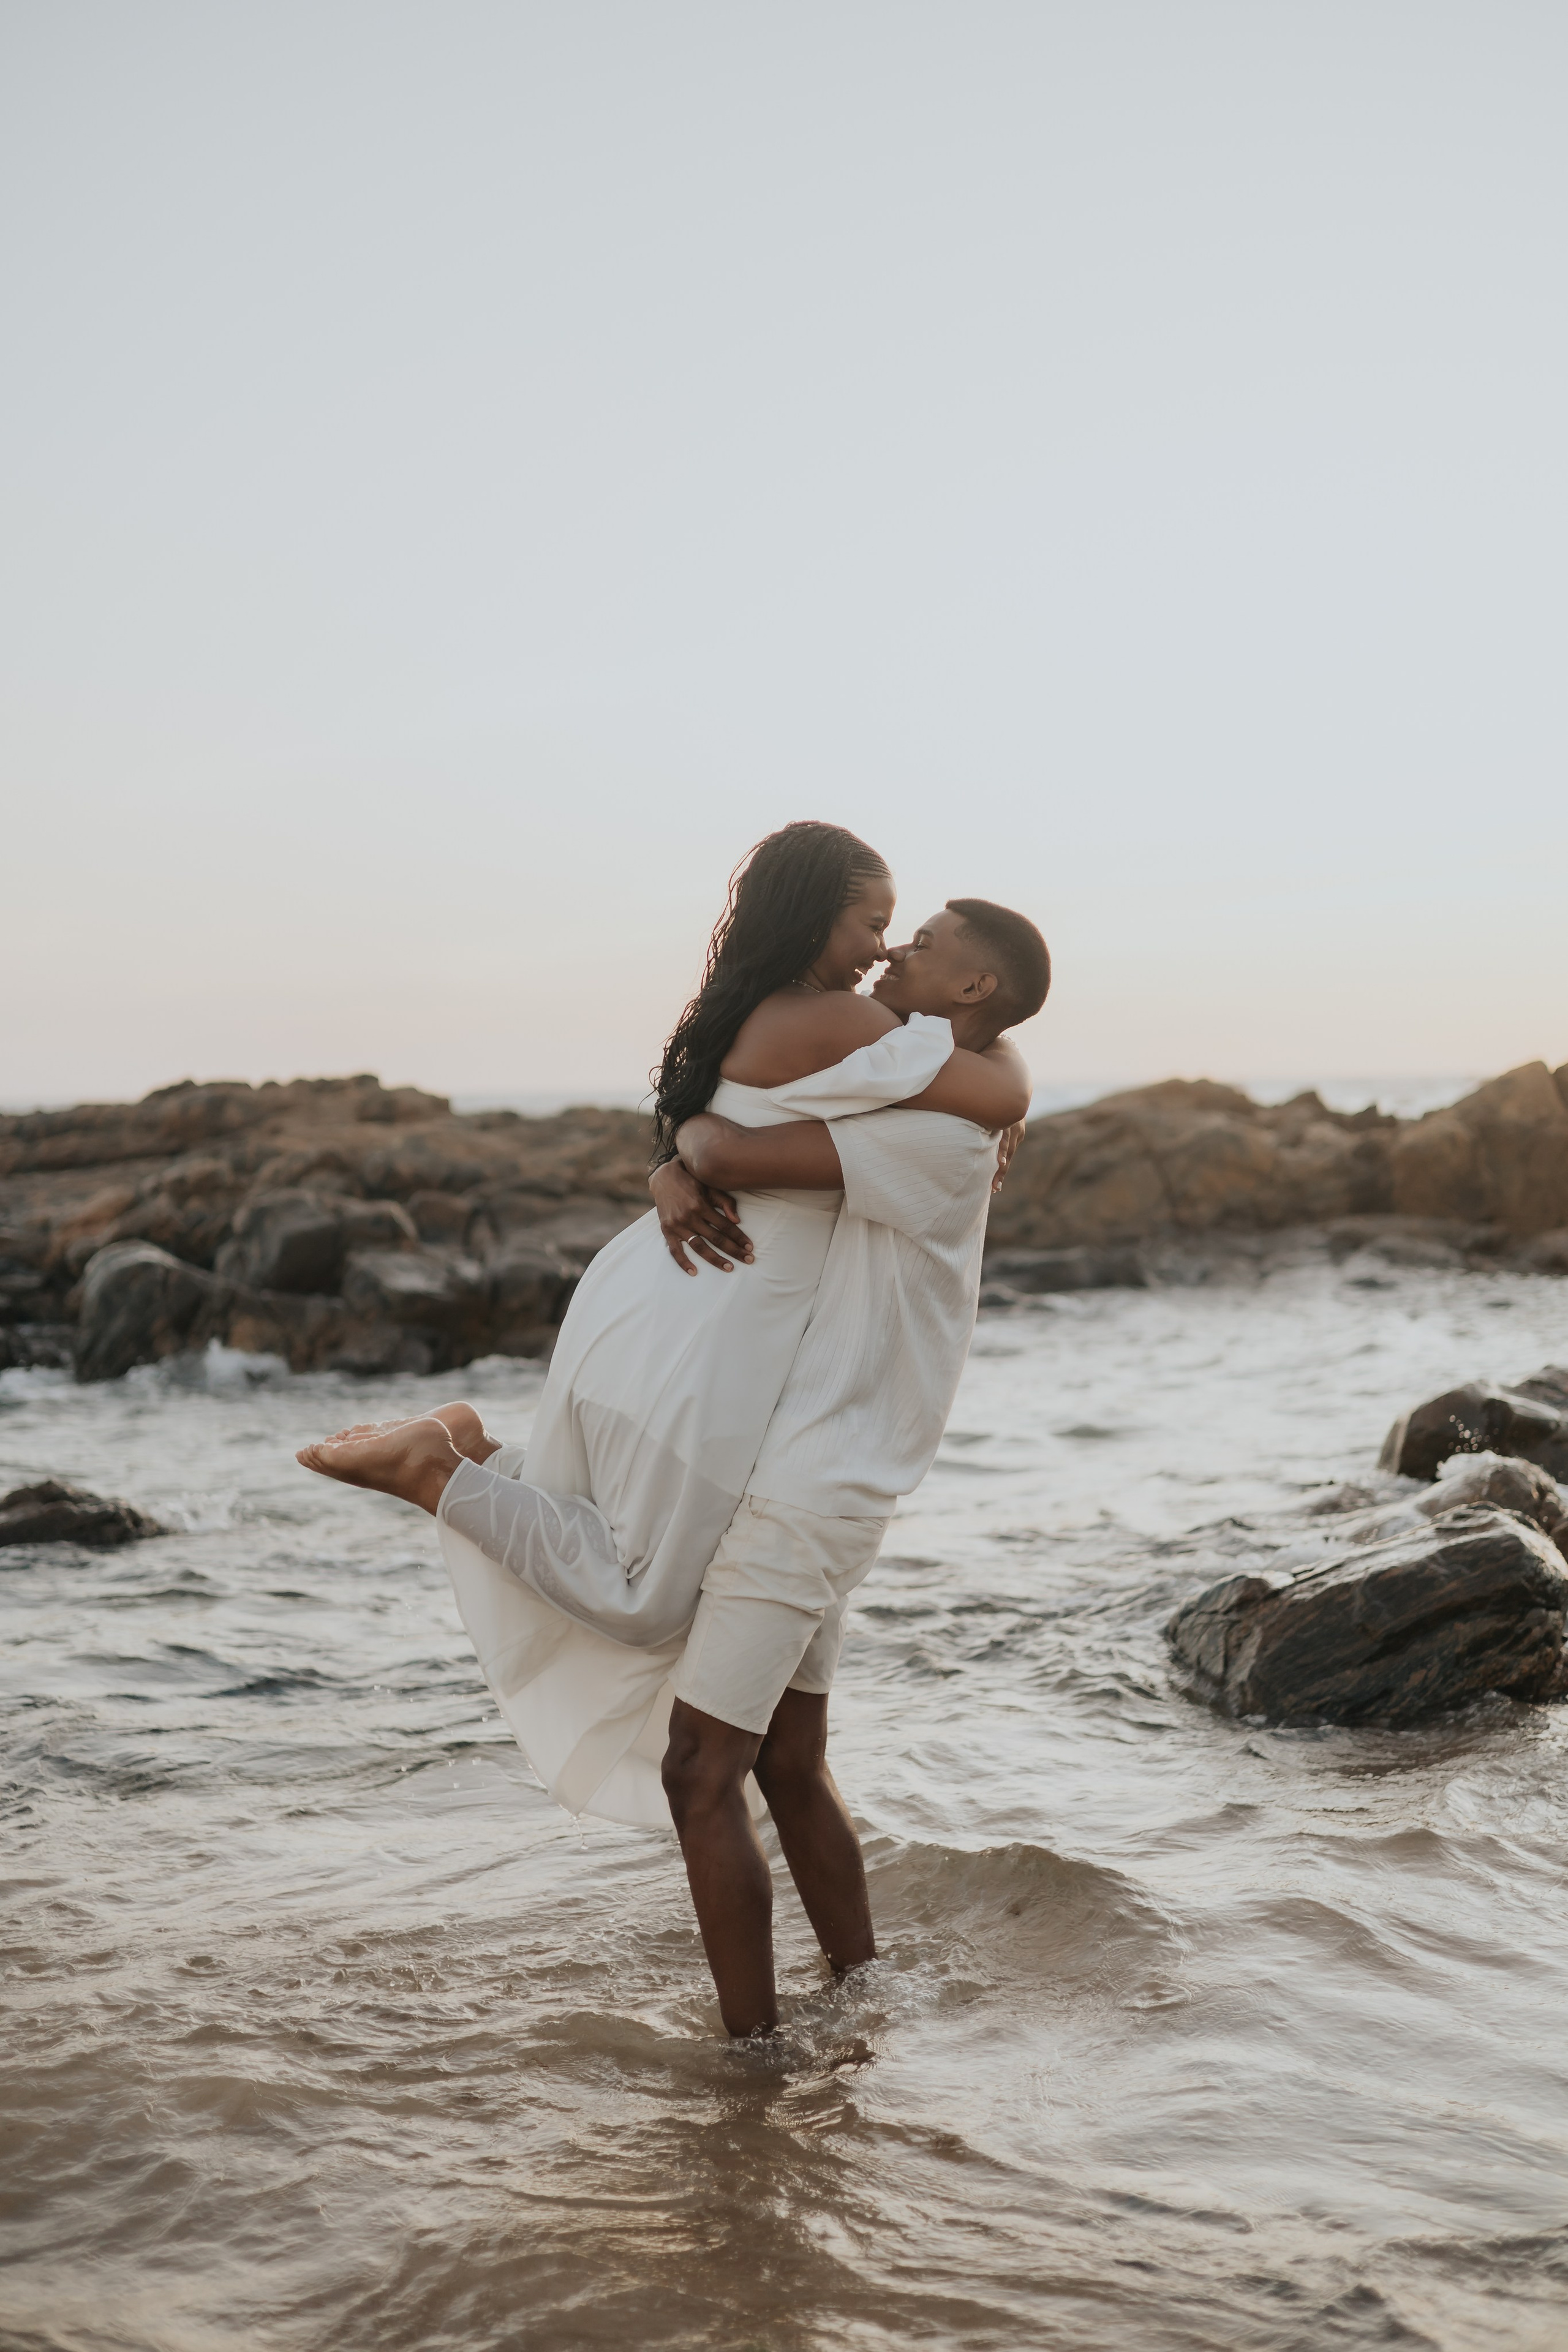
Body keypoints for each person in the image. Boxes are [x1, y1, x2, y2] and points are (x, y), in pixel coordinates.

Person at [301, 879, 1048, 2035]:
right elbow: (743, 1119)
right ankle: (865, 2010)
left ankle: (753, 2071)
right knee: (788, 1763)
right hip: (808, 1452)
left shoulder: (947, 1132)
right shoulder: (917, 1085)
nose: (896, 947)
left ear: (976, 984)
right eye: (884, 923)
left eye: (925, 939)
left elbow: (732, 1141)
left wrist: (690, 1148)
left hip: (815, 1477)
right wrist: (676, 1158)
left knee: (700, 1767)